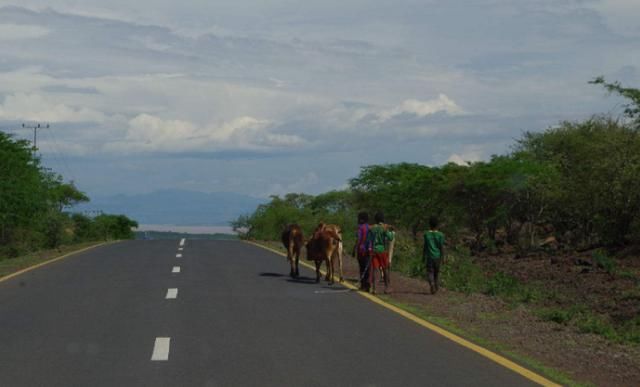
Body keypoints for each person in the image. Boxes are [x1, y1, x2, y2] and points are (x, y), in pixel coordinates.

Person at [369, 212, 394, 294]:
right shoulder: (384, 228)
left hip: (374, 251)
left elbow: (369, 238)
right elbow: (390, 238)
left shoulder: (372, 228)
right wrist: (391, 232)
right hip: (382, 250)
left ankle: (374, 288)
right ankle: (387, 288)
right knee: (385, 268)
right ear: (382, 219)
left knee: (375, 269)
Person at [423, 216, 445, 294]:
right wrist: (443, 258)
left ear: (429, 224)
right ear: (437, 225)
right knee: (436, 272)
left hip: (429, 257)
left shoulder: (426, 234)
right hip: (437, 257)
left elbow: (425, 246)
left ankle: (432, 284)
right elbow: (441, 247)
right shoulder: (440, 235)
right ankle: (436, 285)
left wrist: (423, 256)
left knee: (430, 272)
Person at [354, 212, 372, 291]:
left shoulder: (360, 228)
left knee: (362, 267)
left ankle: (363, 285)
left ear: (361, 219)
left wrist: (354, 248)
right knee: (368, 267)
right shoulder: (370, 227)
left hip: (361, 250)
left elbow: (358, 239)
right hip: (369, 250)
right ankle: (368, 285)